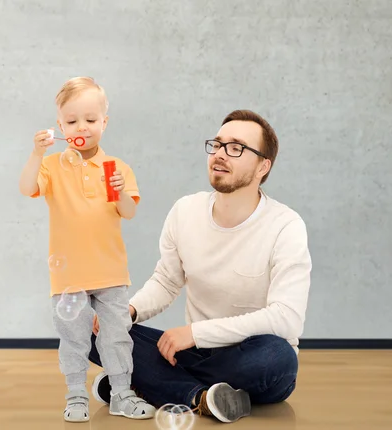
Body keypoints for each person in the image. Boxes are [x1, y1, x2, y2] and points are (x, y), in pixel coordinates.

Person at [90, 109, 312, 423]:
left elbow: (287, 319)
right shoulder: (186, 210)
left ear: (264, 166)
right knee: (93, 328)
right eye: (217, 145)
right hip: (193, 353)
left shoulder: (285, 226)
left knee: (278, 358)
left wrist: (195, 333)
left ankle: (142, 383)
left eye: (236, 148)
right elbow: (167, 281)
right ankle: (200, 398)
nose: (220, 155)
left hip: (250, 356)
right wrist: (129, 311)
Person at [18, 77, 156, 422]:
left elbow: (128, 211)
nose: (82, 127)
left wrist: (122, 191)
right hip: (69, 275)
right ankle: (76, 394)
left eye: (91, 120)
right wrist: (37, 153)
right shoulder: (51, 166)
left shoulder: (115, 169)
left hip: (111, 272)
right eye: (72, 120)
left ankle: (122, 393)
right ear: (61, 126)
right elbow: (26, 188)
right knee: (74, 339)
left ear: (104, 123)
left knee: (117, 338)